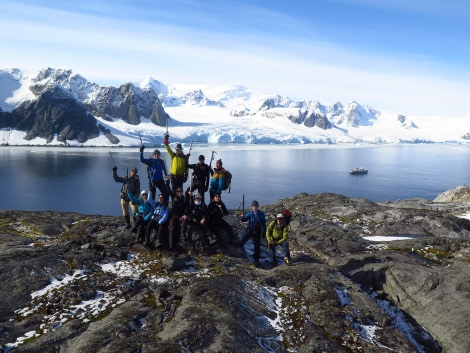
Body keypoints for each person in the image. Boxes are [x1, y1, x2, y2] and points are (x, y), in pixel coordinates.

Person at [239, 200, 267, 265]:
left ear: (258, 207)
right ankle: (238, 251)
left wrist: (264, 232)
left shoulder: (261, 214)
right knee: (243, 240)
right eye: (253, 206)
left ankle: (256, 260)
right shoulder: (250, 213)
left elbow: (263, 224)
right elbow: (244, 220)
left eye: (256, 206)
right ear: (252, 207)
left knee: (257, 246)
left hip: (257, 231)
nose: (255, 207)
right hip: (250, 230)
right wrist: (242, 217)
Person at [167, 187, 188, 251]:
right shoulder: (174, 197)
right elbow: (169, 191)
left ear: (182, 192)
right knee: (171, 229)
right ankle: (171, 246)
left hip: (180, 217)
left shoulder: (184, 199)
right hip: (173, 216)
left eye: (180, 191)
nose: (179, 192)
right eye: (178, 191)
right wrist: (167, 182)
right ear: (176, 192)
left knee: (184, 219)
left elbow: (187, 208)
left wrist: (185, 214)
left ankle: (182, 235)